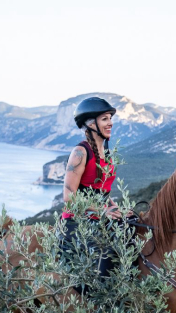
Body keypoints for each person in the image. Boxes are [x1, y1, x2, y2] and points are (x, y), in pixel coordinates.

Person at [60, 96, 126, 289]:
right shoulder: (80, 153)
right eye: (105, 119)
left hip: (100, 218)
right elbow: (68, 196)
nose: (110, 123)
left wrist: (115, 208)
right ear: (90, 123)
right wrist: (101, 211)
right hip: (77, 222)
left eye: (110, 118)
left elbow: (101, 192)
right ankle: (96, 311)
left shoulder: (107, 154)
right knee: (99, 268)